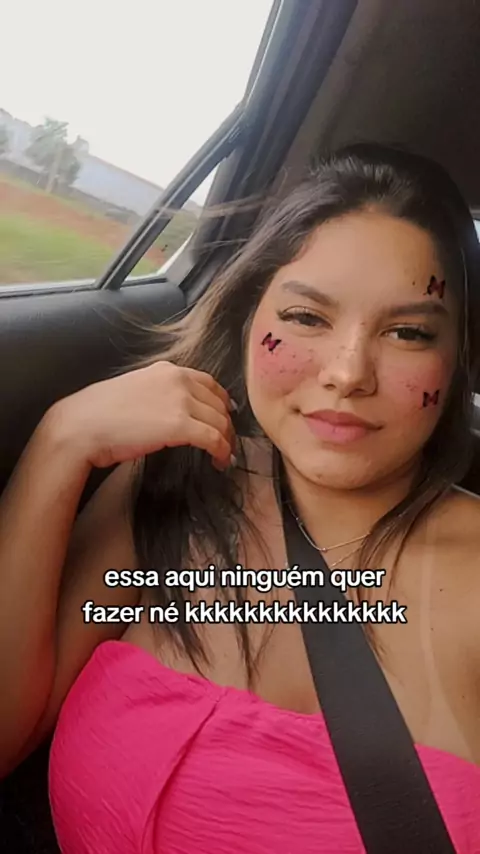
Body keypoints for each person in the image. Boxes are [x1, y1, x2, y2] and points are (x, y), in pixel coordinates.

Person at [1, 144, 480, 853]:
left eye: (408, 332)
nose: (349, 372)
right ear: (249, 314)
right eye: (308, 317)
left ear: (459, 359)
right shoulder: (172, 483)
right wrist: (59, 444)